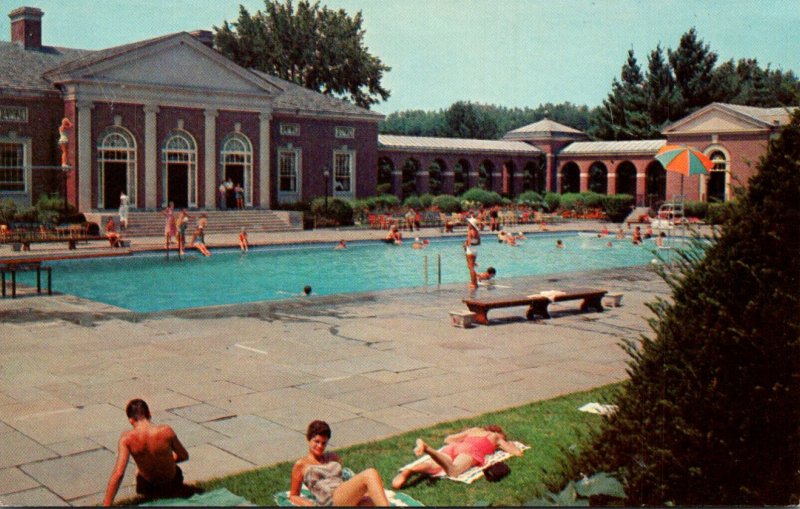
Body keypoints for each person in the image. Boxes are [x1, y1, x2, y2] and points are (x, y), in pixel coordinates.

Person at [103, 399, 191, 506]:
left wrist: (106, 505)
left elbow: (119, 473)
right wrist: (166, 460)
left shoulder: (127, 439)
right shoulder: (166, 431)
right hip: (172, 483)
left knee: (138, 471)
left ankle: (149, 497)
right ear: (149, 414)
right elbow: (184, 455)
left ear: (130, 420)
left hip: (149, 487)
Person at [289, 420, 390, 506]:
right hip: (331, 499)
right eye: (316, 441)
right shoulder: (301, 464)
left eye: (324, 443)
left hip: (344, 495)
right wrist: (309, 505)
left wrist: (361, 491)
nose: (320, 446)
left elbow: (344, 478)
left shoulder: (333, 456)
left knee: (372, 500)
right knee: (370, 473)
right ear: (308, 440)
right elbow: (293, 495)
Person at [391, 425, 522, 489]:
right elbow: (517, 452)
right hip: (470, 451)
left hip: (455, 447)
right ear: (498, 432)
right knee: (453, 470)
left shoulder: (474, 430)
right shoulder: (495, 437)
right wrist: (507, 444)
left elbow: (448, 439)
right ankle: (428, 449)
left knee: (434, 466)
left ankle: (411, 470)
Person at [464, 217, 481, 289]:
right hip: (475, 250)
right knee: (471, 267)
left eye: (469, 223)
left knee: (471, 268)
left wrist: (465, 244)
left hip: (470, 250)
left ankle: (474, 284)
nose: (468, 224)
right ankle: (473, 282)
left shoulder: (470, 231)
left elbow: (469, 242)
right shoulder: (477, 232)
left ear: (471, 224)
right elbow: (479, 242)